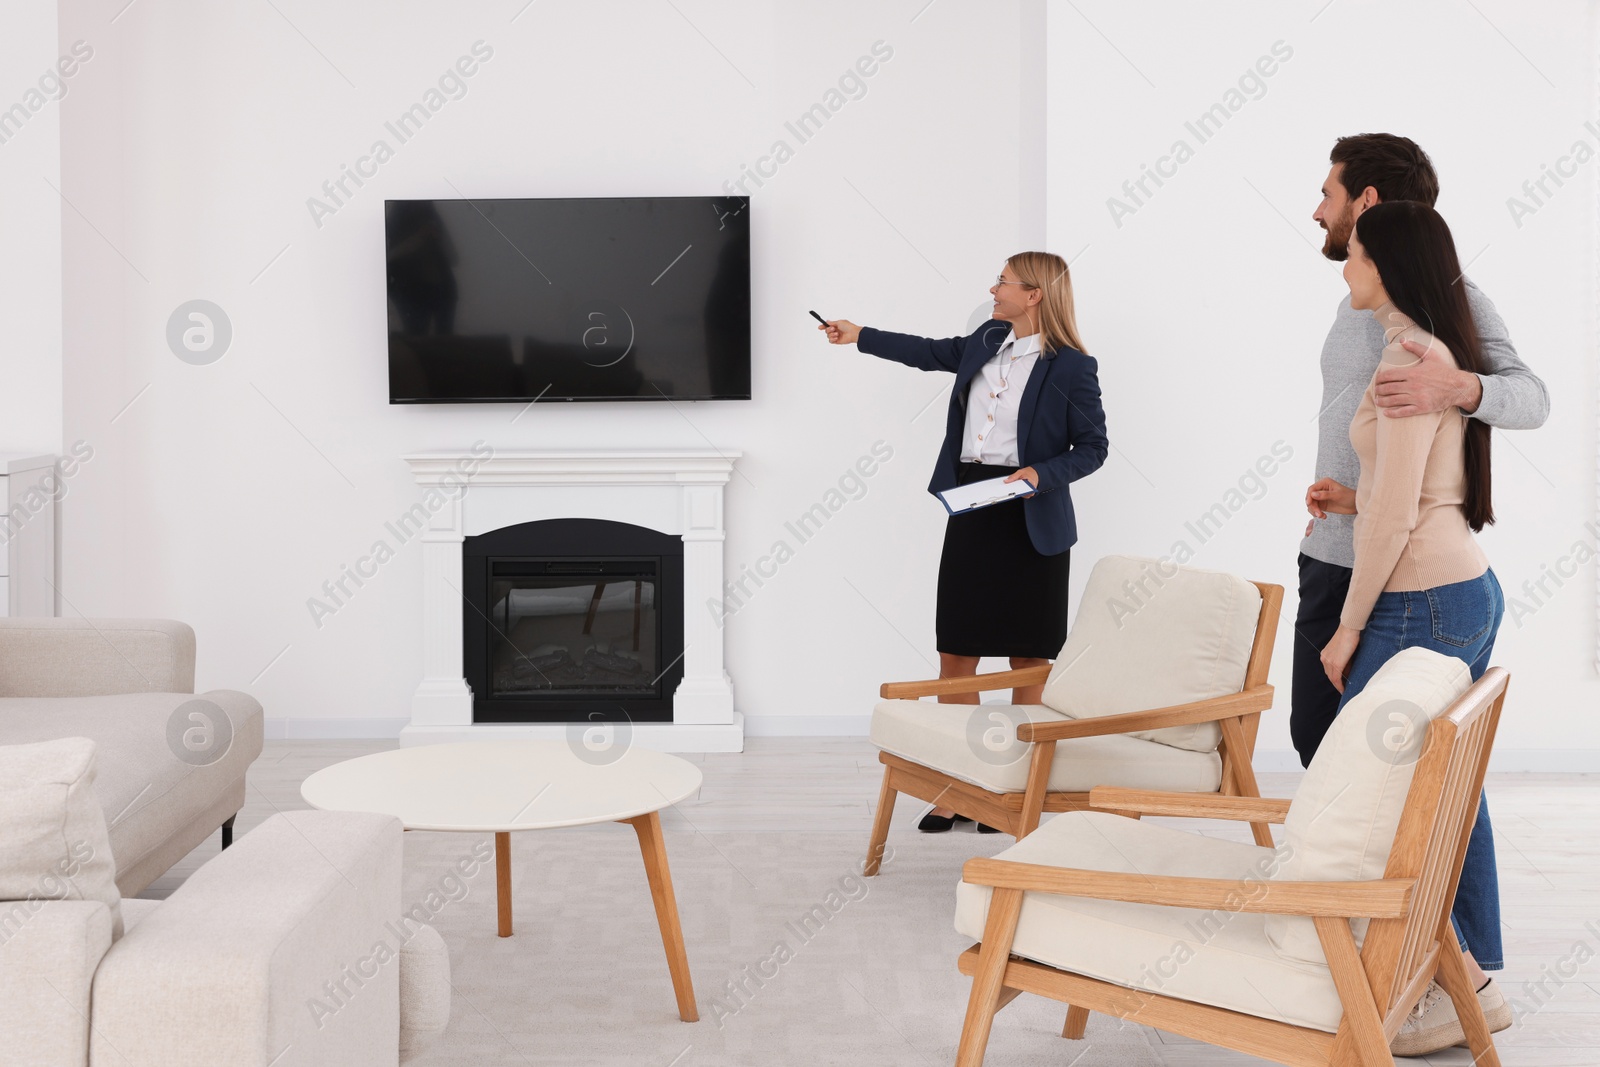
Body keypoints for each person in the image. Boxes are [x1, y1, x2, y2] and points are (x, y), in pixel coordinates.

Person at [1314, 200, 1513, 1058]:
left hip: (1418, 598)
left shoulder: (1407, 358)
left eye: (1354, 252)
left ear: (1388, 262)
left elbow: (1397, 518)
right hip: (1457, 583)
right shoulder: (1428, 350)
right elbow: (1420, 489)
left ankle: (1458, 981)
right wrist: (1357, 499)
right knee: (1440, 788)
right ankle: (1471, 974)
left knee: (1398, 795)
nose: (1344, 264)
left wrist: (1345, 629)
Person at [819, 252, 1109, 832]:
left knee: (1028, 659)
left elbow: (1093, 447)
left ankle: (1013, 787)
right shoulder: (985, 340)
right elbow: (928, 352)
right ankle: (957, 787)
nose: (993, 288)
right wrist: (859, 336)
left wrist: (1040, 474)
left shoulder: (1073, 367)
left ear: (1034, 295)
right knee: (958, 653)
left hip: (1032, 514)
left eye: (1003, 281)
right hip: (974, 507)